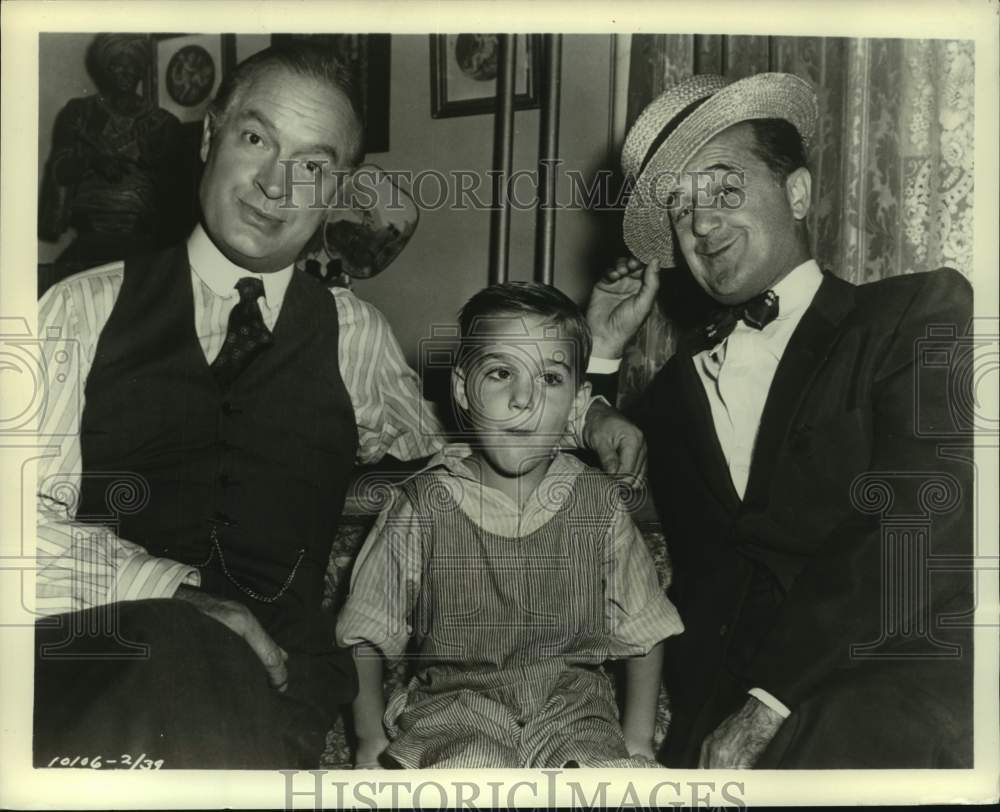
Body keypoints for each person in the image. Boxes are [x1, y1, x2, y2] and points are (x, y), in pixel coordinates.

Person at [33, 44, 644, 769]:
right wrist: (175, 593)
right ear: (209, 137)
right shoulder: (79, 308)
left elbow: (462, 444)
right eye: (256, 139)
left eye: (313, 166)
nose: (274, 184)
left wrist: (591, 395)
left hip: (268, 684)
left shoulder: (354, 335)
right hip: (89, 651)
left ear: (337, 193)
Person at [586, 72, 974, 769]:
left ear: (797, 193)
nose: (700, 224)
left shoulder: (910, 318)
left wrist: (769, 704)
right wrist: (601, 362)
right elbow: (588, 509)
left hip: (880, 684)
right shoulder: (677, 388)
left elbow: (919, 517)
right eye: (680, 208)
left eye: (724, 188)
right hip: (710, 715)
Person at [336, 282, 683, 769]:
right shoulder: (420, 505)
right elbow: (366, 634)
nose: (525, 399)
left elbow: (646, 630)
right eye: (501, 373)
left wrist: (638, 742)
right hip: (453, 714)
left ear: (578, 399)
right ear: (462, 389)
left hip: (573, 715)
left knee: (597, 782)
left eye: (550, 378)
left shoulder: (600, 506)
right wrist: (369, 740)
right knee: (468, 769)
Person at [38, 34, 186, 279]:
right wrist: (91, 161)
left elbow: (178, 195)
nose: (127, 71)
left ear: (142, 68)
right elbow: (60, 169)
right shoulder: (79, 114)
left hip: (143, 243)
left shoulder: (162, 123)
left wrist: (152, 160)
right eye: (119, 63)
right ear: (104, 67)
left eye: (134, 64)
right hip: (91, 241)